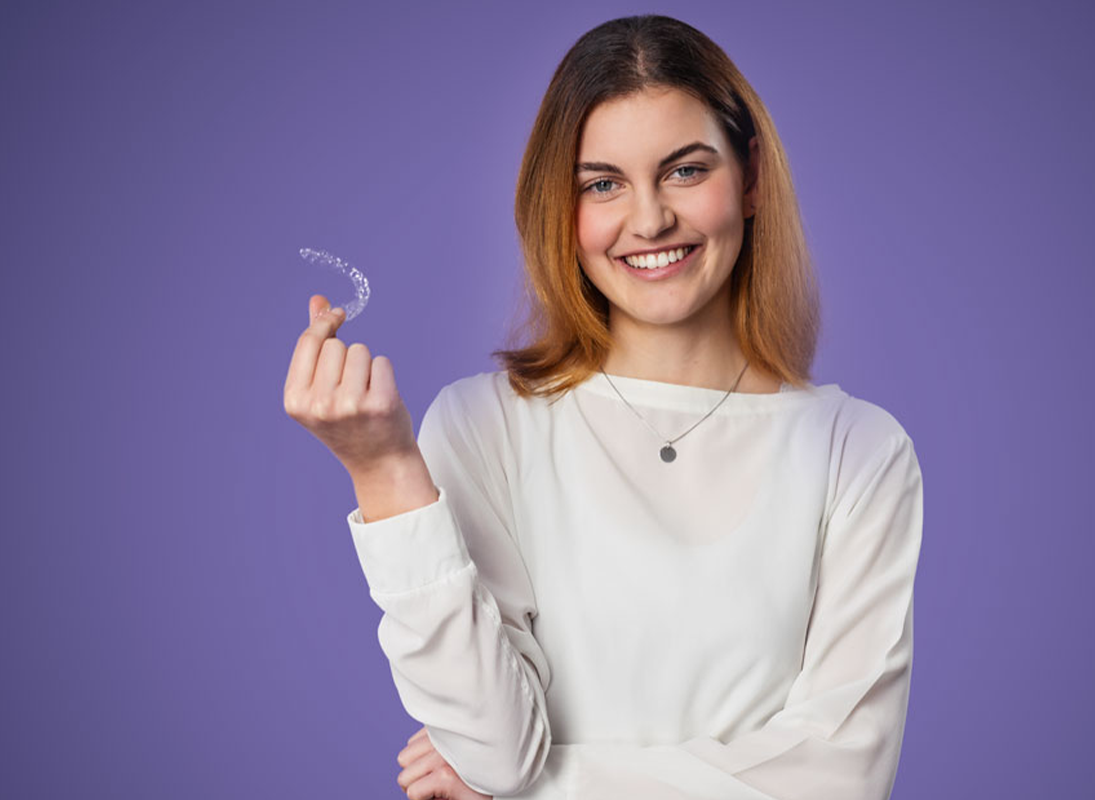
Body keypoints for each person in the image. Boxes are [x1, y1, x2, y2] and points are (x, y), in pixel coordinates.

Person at [283, 13, 924, 800]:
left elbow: (840, 778)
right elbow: (492, 748)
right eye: (602, 184)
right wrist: (382, 471)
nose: (649, 219)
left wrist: (551, 782)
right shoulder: (487, 428)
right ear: (561, 205)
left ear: (750, 178)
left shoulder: (856, 451)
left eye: (686, 171)